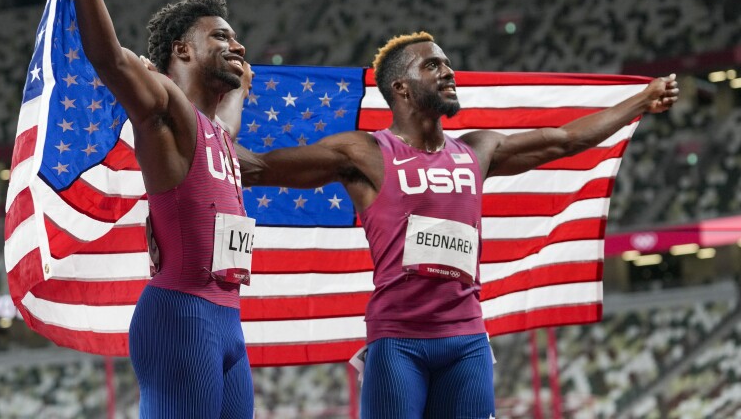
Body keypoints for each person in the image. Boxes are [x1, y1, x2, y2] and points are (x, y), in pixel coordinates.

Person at [237, 31, 678, 419]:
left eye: (448, 63)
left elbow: (567, 140)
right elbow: (256, 168)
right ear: (401, 87)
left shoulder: (477, 151)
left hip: (467, 341)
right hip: (398, 343)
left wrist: (641, 99)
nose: (448, 72)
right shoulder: (365, 153)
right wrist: (214, 109)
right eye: (433, 65)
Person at [49, 0, 255, 418]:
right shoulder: (166, 105)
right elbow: (109, 59)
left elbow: (225, 122)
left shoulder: (217, 135)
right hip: (182, 318)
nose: (237, 47)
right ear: (182, 51)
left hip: (227, 322)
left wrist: (238, 87)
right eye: (222, 38)